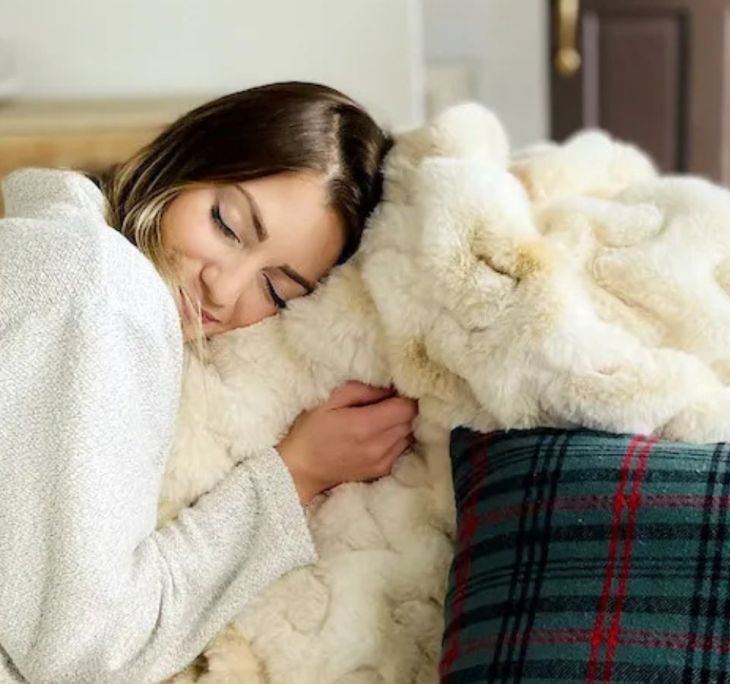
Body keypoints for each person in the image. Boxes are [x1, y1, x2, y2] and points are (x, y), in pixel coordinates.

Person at [0, 82, 417, 683]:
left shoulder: (62, 254)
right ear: (184, 160)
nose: (225, 289)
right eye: (227, 224)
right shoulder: (104, 291)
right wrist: (291, 476)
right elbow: (83, 654)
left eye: (277, 289)